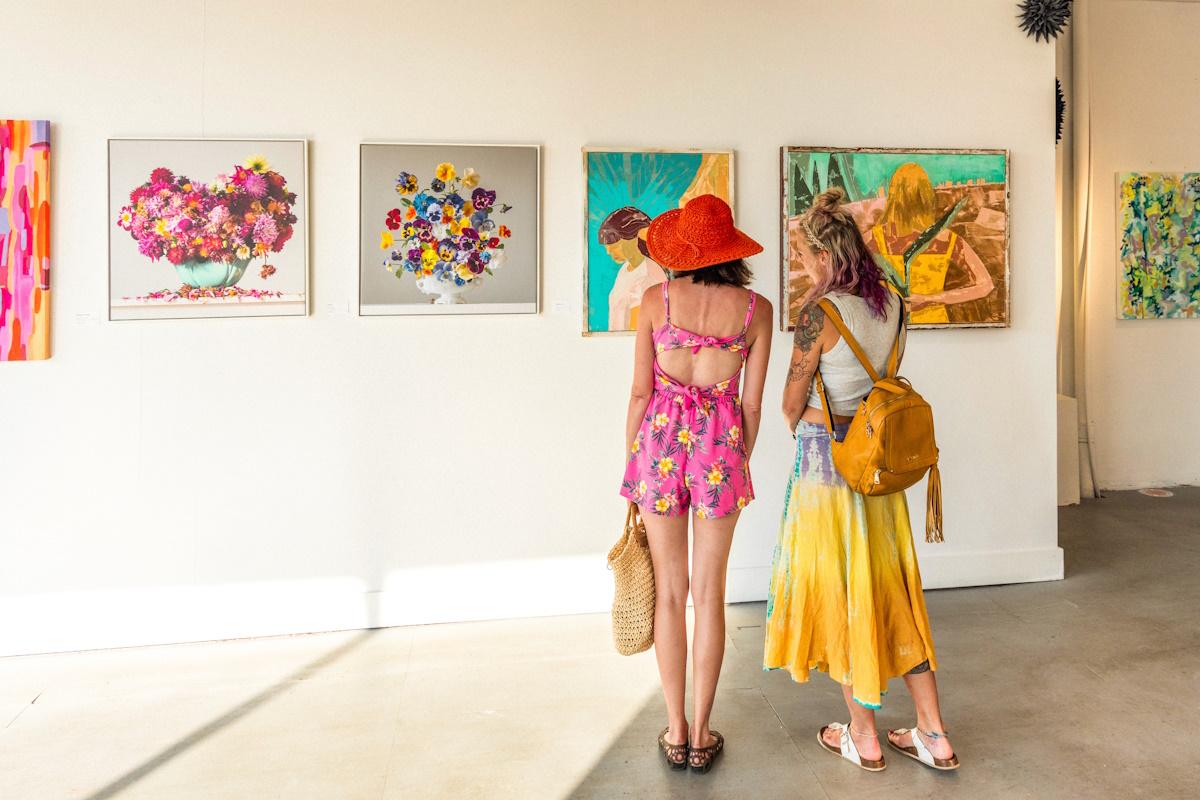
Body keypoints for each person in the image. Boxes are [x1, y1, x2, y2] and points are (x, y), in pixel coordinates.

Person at [764, 188, 959, 772]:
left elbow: (790, 406)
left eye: (804, 257)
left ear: (826, 257)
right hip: (883, 467)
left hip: (831, 468)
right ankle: (933, 735)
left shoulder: (818, 315)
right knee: (895, 592)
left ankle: (864, 737)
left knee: (843, 594)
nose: (803, 266)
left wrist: (818, 415)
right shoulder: (894, 303)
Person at [620, 194, 772, 773]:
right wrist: (734, 457)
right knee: (710, 594)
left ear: (682, 249)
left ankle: (676, 729)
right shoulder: (755, 310)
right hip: (721, 453)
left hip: (658, 449)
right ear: (731, 249)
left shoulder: (656, 302)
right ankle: (705, 732)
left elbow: (639, 394)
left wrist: (635, 461)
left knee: (669, 592)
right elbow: (751, 404)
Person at [851, 162, 994, 325]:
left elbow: (850, 282)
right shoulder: (946, 239)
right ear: (926, 197)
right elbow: (985, 285)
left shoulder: (872, 239)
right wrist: (931, 299)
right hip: (934, 325)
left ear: (893, 197)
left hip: (890, 326)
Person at [599, 206, 666, 331]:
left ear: (635, 237)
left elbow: (641, 329)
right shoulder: (626, 269)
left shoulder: (649, 274)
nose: (608, 251)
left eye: (614, 243)